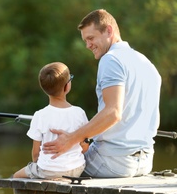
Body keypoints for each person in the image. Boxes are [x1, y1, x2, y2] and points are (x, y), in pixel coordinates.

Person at [43, 9, 162, 178]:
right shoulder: (146, 63)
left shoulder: (111, 59)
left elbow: (113, 113)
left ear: (109, 30)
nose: (88, 45)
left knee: (49, 167)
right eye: (85, 41)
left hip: (113, 162)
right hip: (145, 162)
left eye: (91, 38)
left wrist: (70, 139)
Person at [0, 62, 88, 194]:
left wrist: (41, 167)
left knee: (16, 178)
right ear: (67, 86)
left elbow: (35, 154)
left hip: (47, 170)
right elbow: (84, 147)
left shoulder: (40, 115)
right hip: (76, 170)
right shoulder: (79, 113)